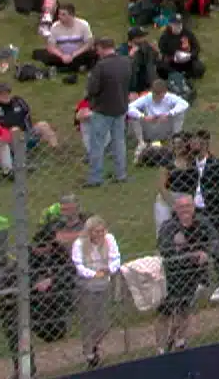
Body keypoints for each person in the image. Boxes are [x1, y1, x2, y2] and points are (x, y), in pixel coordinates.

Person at [155, 195, 216, 354]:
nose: (185, 210)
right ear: (175, 209)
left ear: (193, 207)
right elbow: (166, 249)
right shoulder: (168, 227)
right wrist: (192, 255)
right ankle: (161, 348)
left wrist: (207, 252)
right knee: (165, 313)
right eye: (181, 207)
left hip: (193, 276)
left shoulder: (202, 223)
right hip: (171, 277)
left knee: (185, 310)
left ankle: (180, 341)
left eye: (188, 206)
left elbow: (215, 241)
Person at [185, 131, 219, 301]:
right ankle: (202, 280)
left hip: (212, 212)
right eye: (191, 142)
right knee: (196, 245)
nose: (192, 145)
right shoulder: (189, 166)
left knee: (216, 246)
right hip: (194, 211)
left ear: (205, 143)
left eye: (196, 142)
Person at [71, 216, 122, 369]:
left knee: (104, 323)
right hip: (86, 286)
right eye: (96, 232)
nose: (99, 234)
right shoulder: (79, 244)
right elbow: (79, 266)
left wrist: (109, 269)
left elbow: (116, 258)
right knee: (89, 320)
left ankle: (94, 345)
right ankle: (89, 354)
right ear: (89, 232)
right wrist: (94, 274)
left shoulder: (109, 239)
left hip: (104, 284)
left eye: (102, 231)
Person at [83, 38, 133, 186]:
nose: (97, 52)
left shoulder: (101, 66)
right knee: (119, 143)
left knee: (97, 145)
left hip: (102, 109)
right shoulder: (126, 62)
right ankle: (121, 174)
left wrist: (90, 98)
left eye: (97, 49)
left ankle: (95, 178)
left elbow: (93, 89)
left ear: (102, 48)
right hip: (121, 107)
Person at [0, 82, 62, 153]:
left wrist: (28, 129)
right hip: (9, 139)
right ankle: (20, 153)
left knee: (43, 124)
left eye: (7, 93)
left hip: (26, 133)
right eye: (2, 94)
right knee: (14, 131)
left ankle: (55, 147)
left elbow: (27, 113)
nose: (5, 95)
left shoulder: (18, 101)